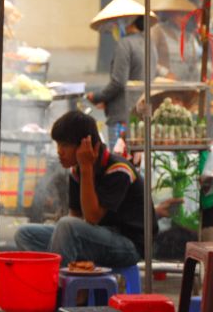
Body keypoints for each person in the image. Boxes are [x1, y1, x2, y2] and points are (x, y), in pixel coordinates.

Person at [15, 111, 157, 268]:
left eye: (65, 145)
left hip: (129, 245)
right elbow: (76, 216)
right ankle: (48, 279)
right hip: (97, 236)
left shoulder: (119, 170)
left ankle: (56, 288)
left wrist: (86, 167)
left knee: (66, 226)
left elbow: (91, 217)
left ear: (87, 145)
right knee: (25, 234)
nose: (59, 151)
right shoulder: (76, 171)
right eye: (58, 144)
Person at [85, 0, 157, 146]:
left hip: (123, 117)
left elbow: (118, 82)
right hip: (142, 114)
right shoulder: (149, 44)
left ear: (127, 22)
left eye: (115, 24)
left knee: (121, 161)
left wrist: (97, 97)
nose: (114, 28)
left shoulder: (125, 45)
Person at [152, 0, 200, 82]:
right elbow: (147, 59)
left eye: (186, 15)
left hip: (187, 85)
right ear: (171, 15)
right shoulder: (157, 31)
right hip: (165, 85)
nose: (184, 18)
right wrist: (165, 73)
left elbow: (194, 64)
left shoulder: (190, 36)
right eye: (181, 15)